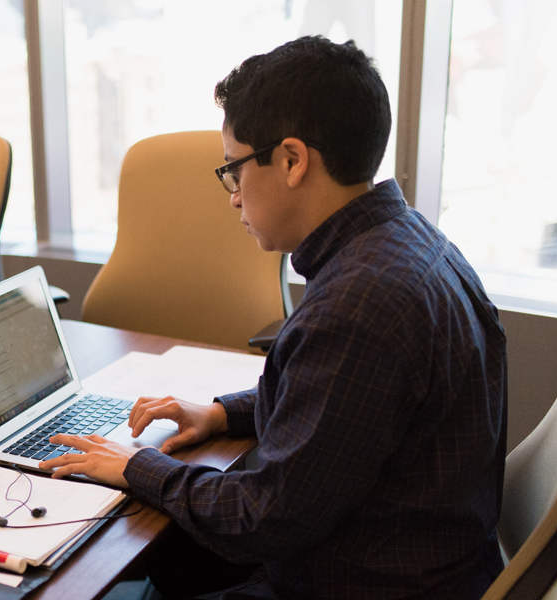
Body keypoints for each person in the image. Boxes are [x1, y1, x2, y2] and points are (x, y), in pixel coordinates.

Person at [41, 36, 508, 600]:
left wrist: (138, 466)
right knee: (164, 553)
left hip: (359, 581)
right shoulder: (408, 241)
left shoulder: (359, 304)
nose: (233, 197)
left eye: (234, 170)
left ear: (291, 160)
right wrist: (222, 414)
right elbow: (339, 412)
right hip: (416, 556)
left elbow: (263, 518)